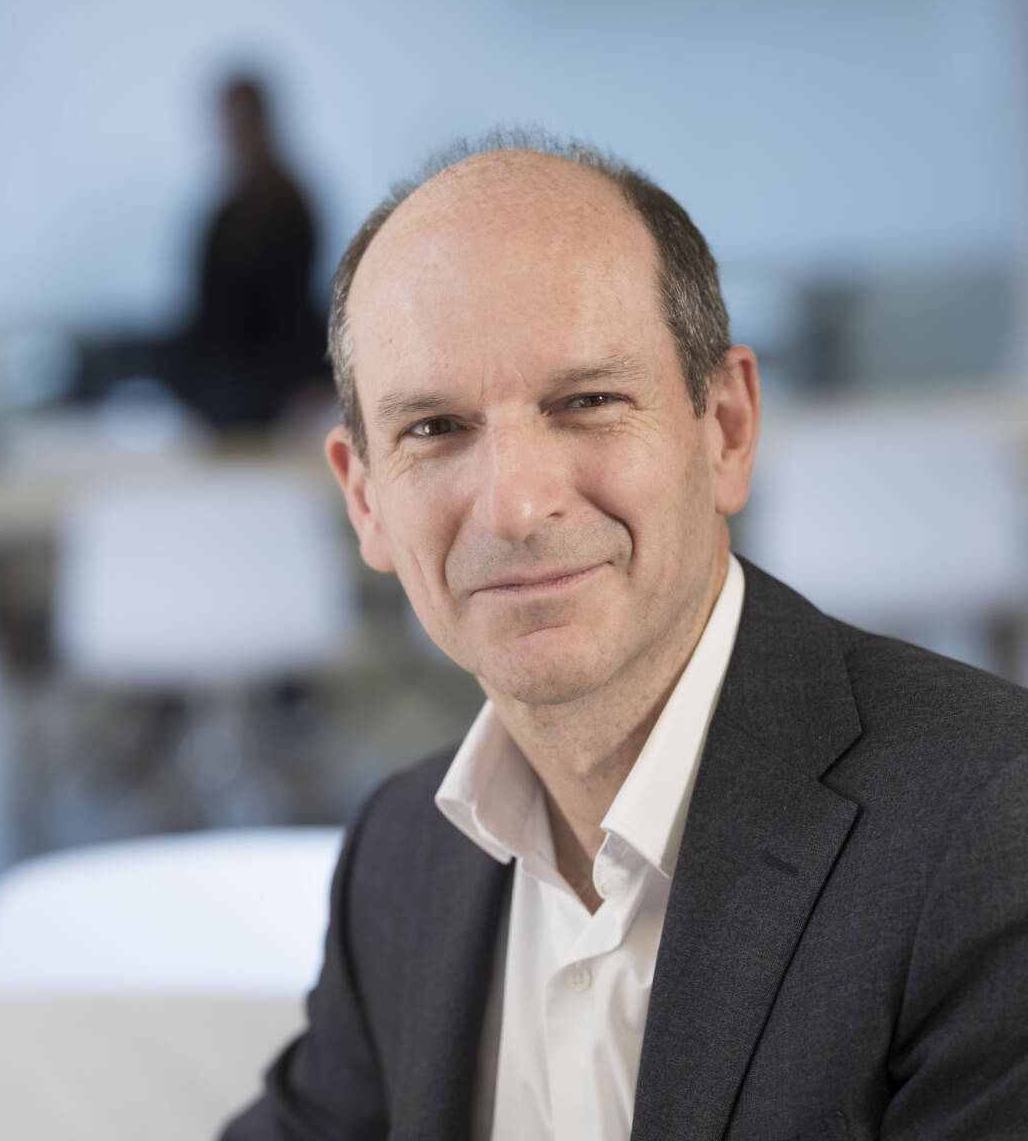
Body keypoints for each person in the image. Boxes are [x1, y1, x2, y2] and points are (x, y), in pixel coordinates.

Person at [222, 135, 1028, 1139]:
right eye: (433, 428)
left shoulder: (992, 831)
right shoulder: (401, 855)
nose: (516, 505)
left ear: (726, 427)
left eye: (588, 402)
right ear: (365, 498)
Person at [171, 75, 329, 430]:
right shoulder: (226, 209)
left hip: (271, 391)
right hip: (226, 388)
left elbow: (291, 308)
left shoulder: (287, 204)